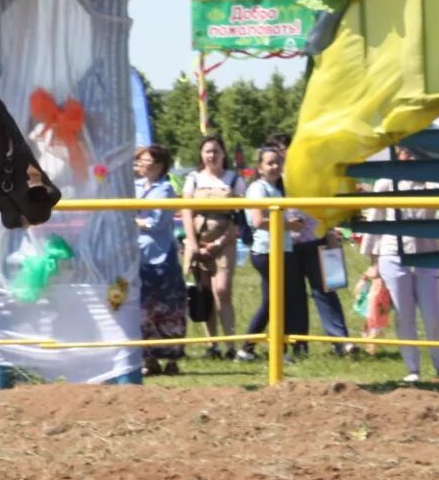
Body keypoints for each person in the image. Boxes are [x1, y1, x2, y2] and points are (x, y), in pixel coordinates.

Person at [360, 149, 439, 383]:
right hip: (393, 253)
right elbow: (376, 221)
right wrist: (373, 263)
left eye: (415, 152)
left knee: (433, 315)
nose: (410, 156)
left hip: (427, 252)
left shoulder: (432, 183)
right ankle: (413, 370)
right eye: (405, 151)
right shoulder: (385, 184)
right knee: (404, 314)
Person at [237, 144, 310, 362]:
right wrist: (290, 225)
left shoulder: (275, 188)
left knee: (273, 302)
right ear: (259, 167)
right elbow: (259, 221)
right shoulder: (259, 189)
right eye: (270, 163)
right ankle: (283, 349)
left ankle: (248, 348)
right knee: (283, 300)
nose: (275, 166)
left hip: (279, 249)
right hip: (268, 251)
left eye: (278, 162)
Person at [180, 135, 241, 358]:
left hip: (224, 242)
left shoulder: (234, 180)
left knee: (222, 290)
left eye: (216, 151)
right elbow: (186, 211)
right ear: (201, 154)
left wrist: (218, 243)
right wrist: (194, 244)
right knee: (203, 292)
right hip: (198, 242)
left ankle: (231, 344)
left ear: (223, 153)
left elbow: (238, 218)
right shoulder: (193, 179)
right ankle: (212, 345)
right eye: (207, 151)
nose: (212, 155)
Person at [132, 145, 187, 376]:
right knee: (144, 309)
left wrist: (131, 220)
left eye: (145, 161)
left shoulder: (165, 190)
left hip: (161, 256)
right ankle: (149, 357)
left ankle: (172, 359)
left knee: (168, 307)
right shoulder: (133, 187)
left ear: (159, 165)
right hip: (138, 255)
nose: (141, 165)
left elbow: (154, 223)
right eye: (140, 161)